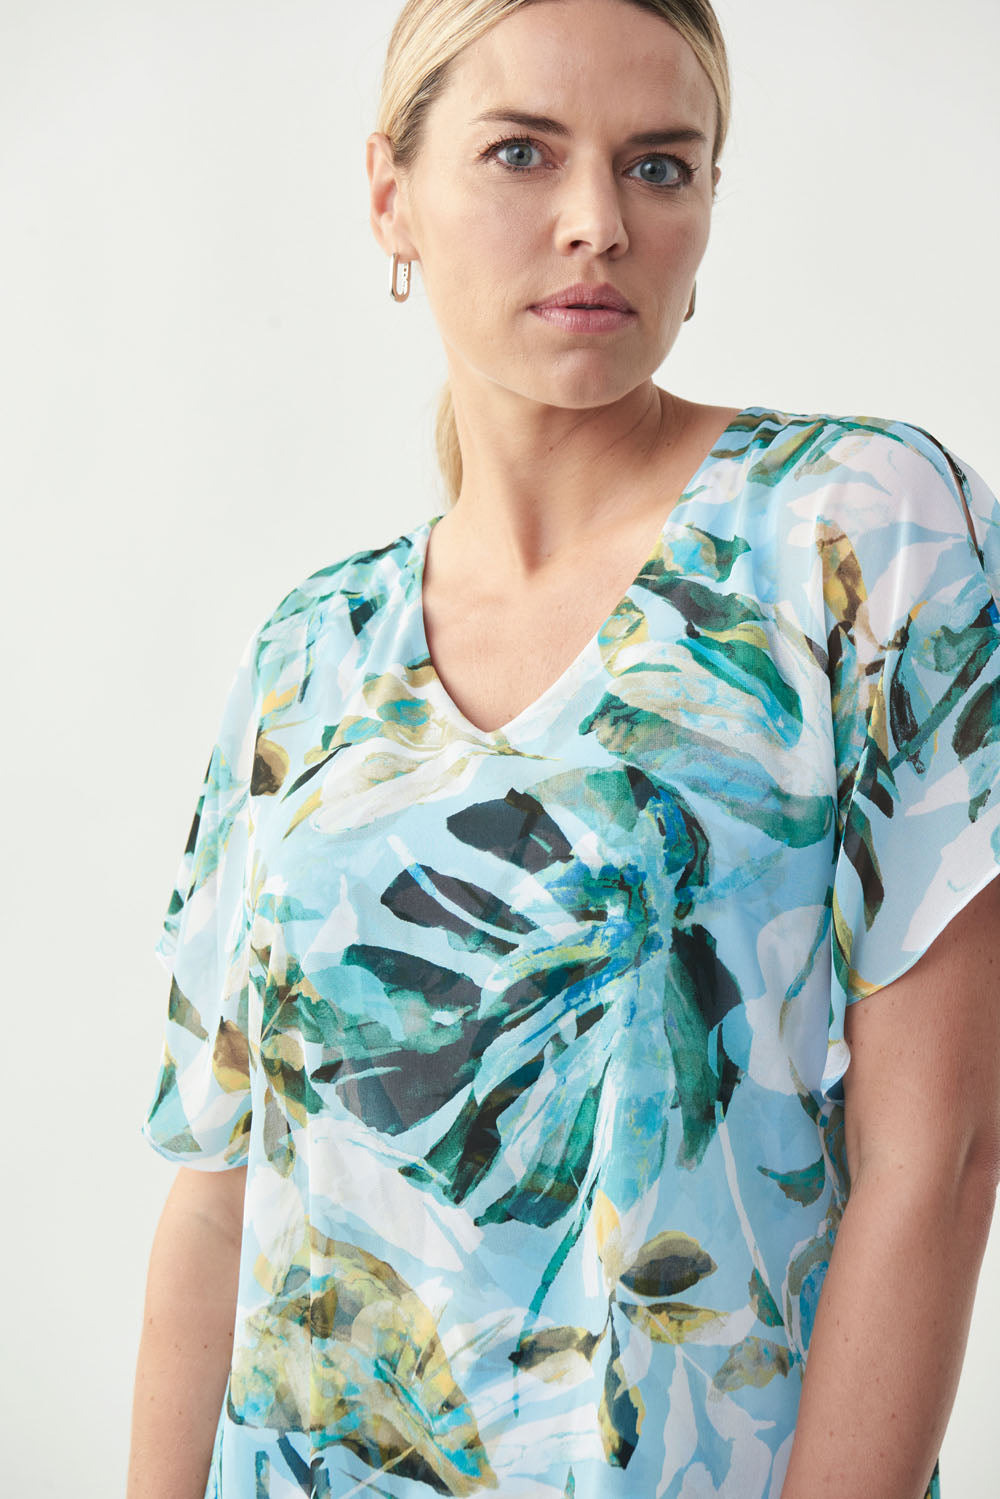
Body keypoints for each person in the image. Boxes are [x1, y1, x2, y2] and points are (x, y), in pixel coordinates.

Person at [126, 2, 1000, 1496]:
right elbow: (219, 1198)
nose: (598, 221)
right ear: (391, 196)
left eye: (659, 166)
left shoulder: (858, 532)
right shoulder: (307, 654)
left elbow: (944, 1155)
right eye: (522, 153)